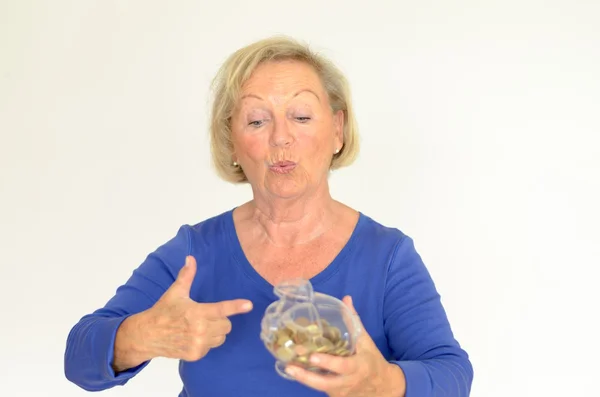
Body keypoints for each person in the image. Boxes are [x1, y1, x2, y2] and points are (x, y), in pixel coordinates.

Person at [64, 36, 474, 397]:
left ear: (337, 130)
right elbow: (79, 357)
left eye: (301, 116)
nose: (281, 137)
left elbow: (452, 374)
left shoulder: (387, 256)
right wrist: (141, 336)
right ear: (232, 142)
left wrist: (385, 384)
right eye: (257, 120)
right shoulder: (194, 251)